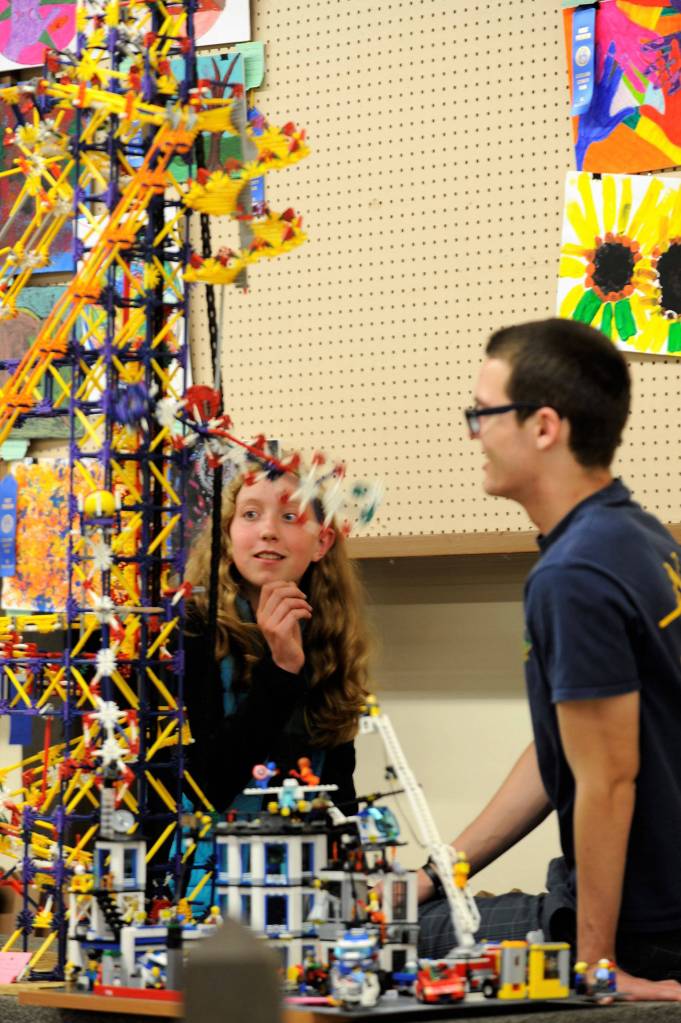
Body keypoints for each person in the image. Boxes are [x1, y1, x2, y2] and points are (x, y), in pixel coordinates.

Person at [418, 318, 681, 1001]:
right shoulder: (634, 533)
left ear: (542, 426)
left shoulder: (575, 574)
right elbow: (564, 751)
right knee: (423, 906)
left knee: (401, 937)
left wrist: (597, 968)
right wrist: (443, 869)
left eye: (483, 411)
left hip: (643, 930)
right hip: (649, 905)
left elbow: (608, 780)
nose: (473, 430)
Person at [181, 464, 371, 814]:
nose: (268, 530)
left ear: (322, 541)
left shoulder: (327, 639)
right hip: (207, 861)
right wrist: (282, 670)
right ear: (228, 533)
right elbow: (208, 788)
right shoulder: (191, 631)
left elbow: (339, 796)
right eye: (250, 514)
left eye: (289, 516)